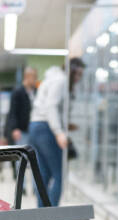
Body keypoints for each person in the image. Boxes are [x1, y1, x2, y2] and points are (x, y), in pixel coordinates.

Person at [29, 58, 85, 207]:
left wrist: (66, 125)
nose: (78, 78)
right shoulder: (61, 80)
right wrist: (59, 131)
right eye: (78, 74)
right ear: (71, 70)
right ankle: (52, 215)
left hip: (36, 127)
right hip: (46, 129)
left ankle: (42, 215)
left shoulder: (52, 79)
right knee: (60, 174)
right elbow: (51, 106)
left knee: (44, 174)